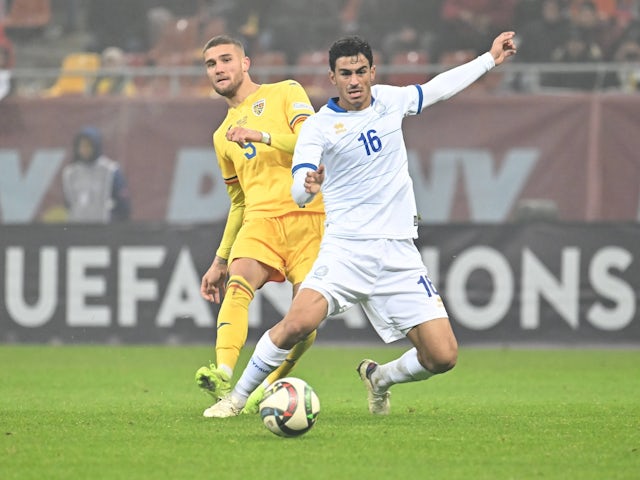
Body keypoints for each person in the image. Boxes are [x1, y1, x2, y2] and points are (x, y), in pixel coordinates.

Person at [204, 31, 517, 418]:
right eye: (345, 73)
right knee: (296, 324)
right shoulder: (318, 128)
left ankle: (381, 378)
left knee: (442, 356)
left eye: (360, 71)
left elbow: (439, 88)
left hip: (398, 252)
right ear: (332, 78)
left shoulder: (390, 100)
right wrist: (308, 186)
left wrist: (489, 59)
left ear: (372, 72)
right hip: (346, 250)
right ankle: (234, 400)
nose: (354, 80)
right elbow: (300, 188)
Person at [195, 34, 325, 417]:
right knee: (237, 281)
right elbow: (238, 202)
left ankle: (265, 385)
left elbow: (312, 139)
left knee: (304, 321)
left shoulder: (286, 91)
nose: (219, 69)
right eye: (210, 64)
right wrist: (219, 260)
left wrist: (261, 135)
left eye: (226, 60)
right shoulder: (221, 137)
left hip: (310, 218)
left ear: (245, 63)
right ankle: (221, 374)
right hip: (261, 220)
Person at [62, 126, 131, 223]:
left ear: (96, 146)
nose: (85, 149)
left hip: (103, 230)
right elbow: (68, 204)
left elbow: (123, 206)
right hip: (77, 229)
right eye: (81, 146)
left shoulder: (110, 171)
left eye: (88, 146)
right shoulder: (70, 173)